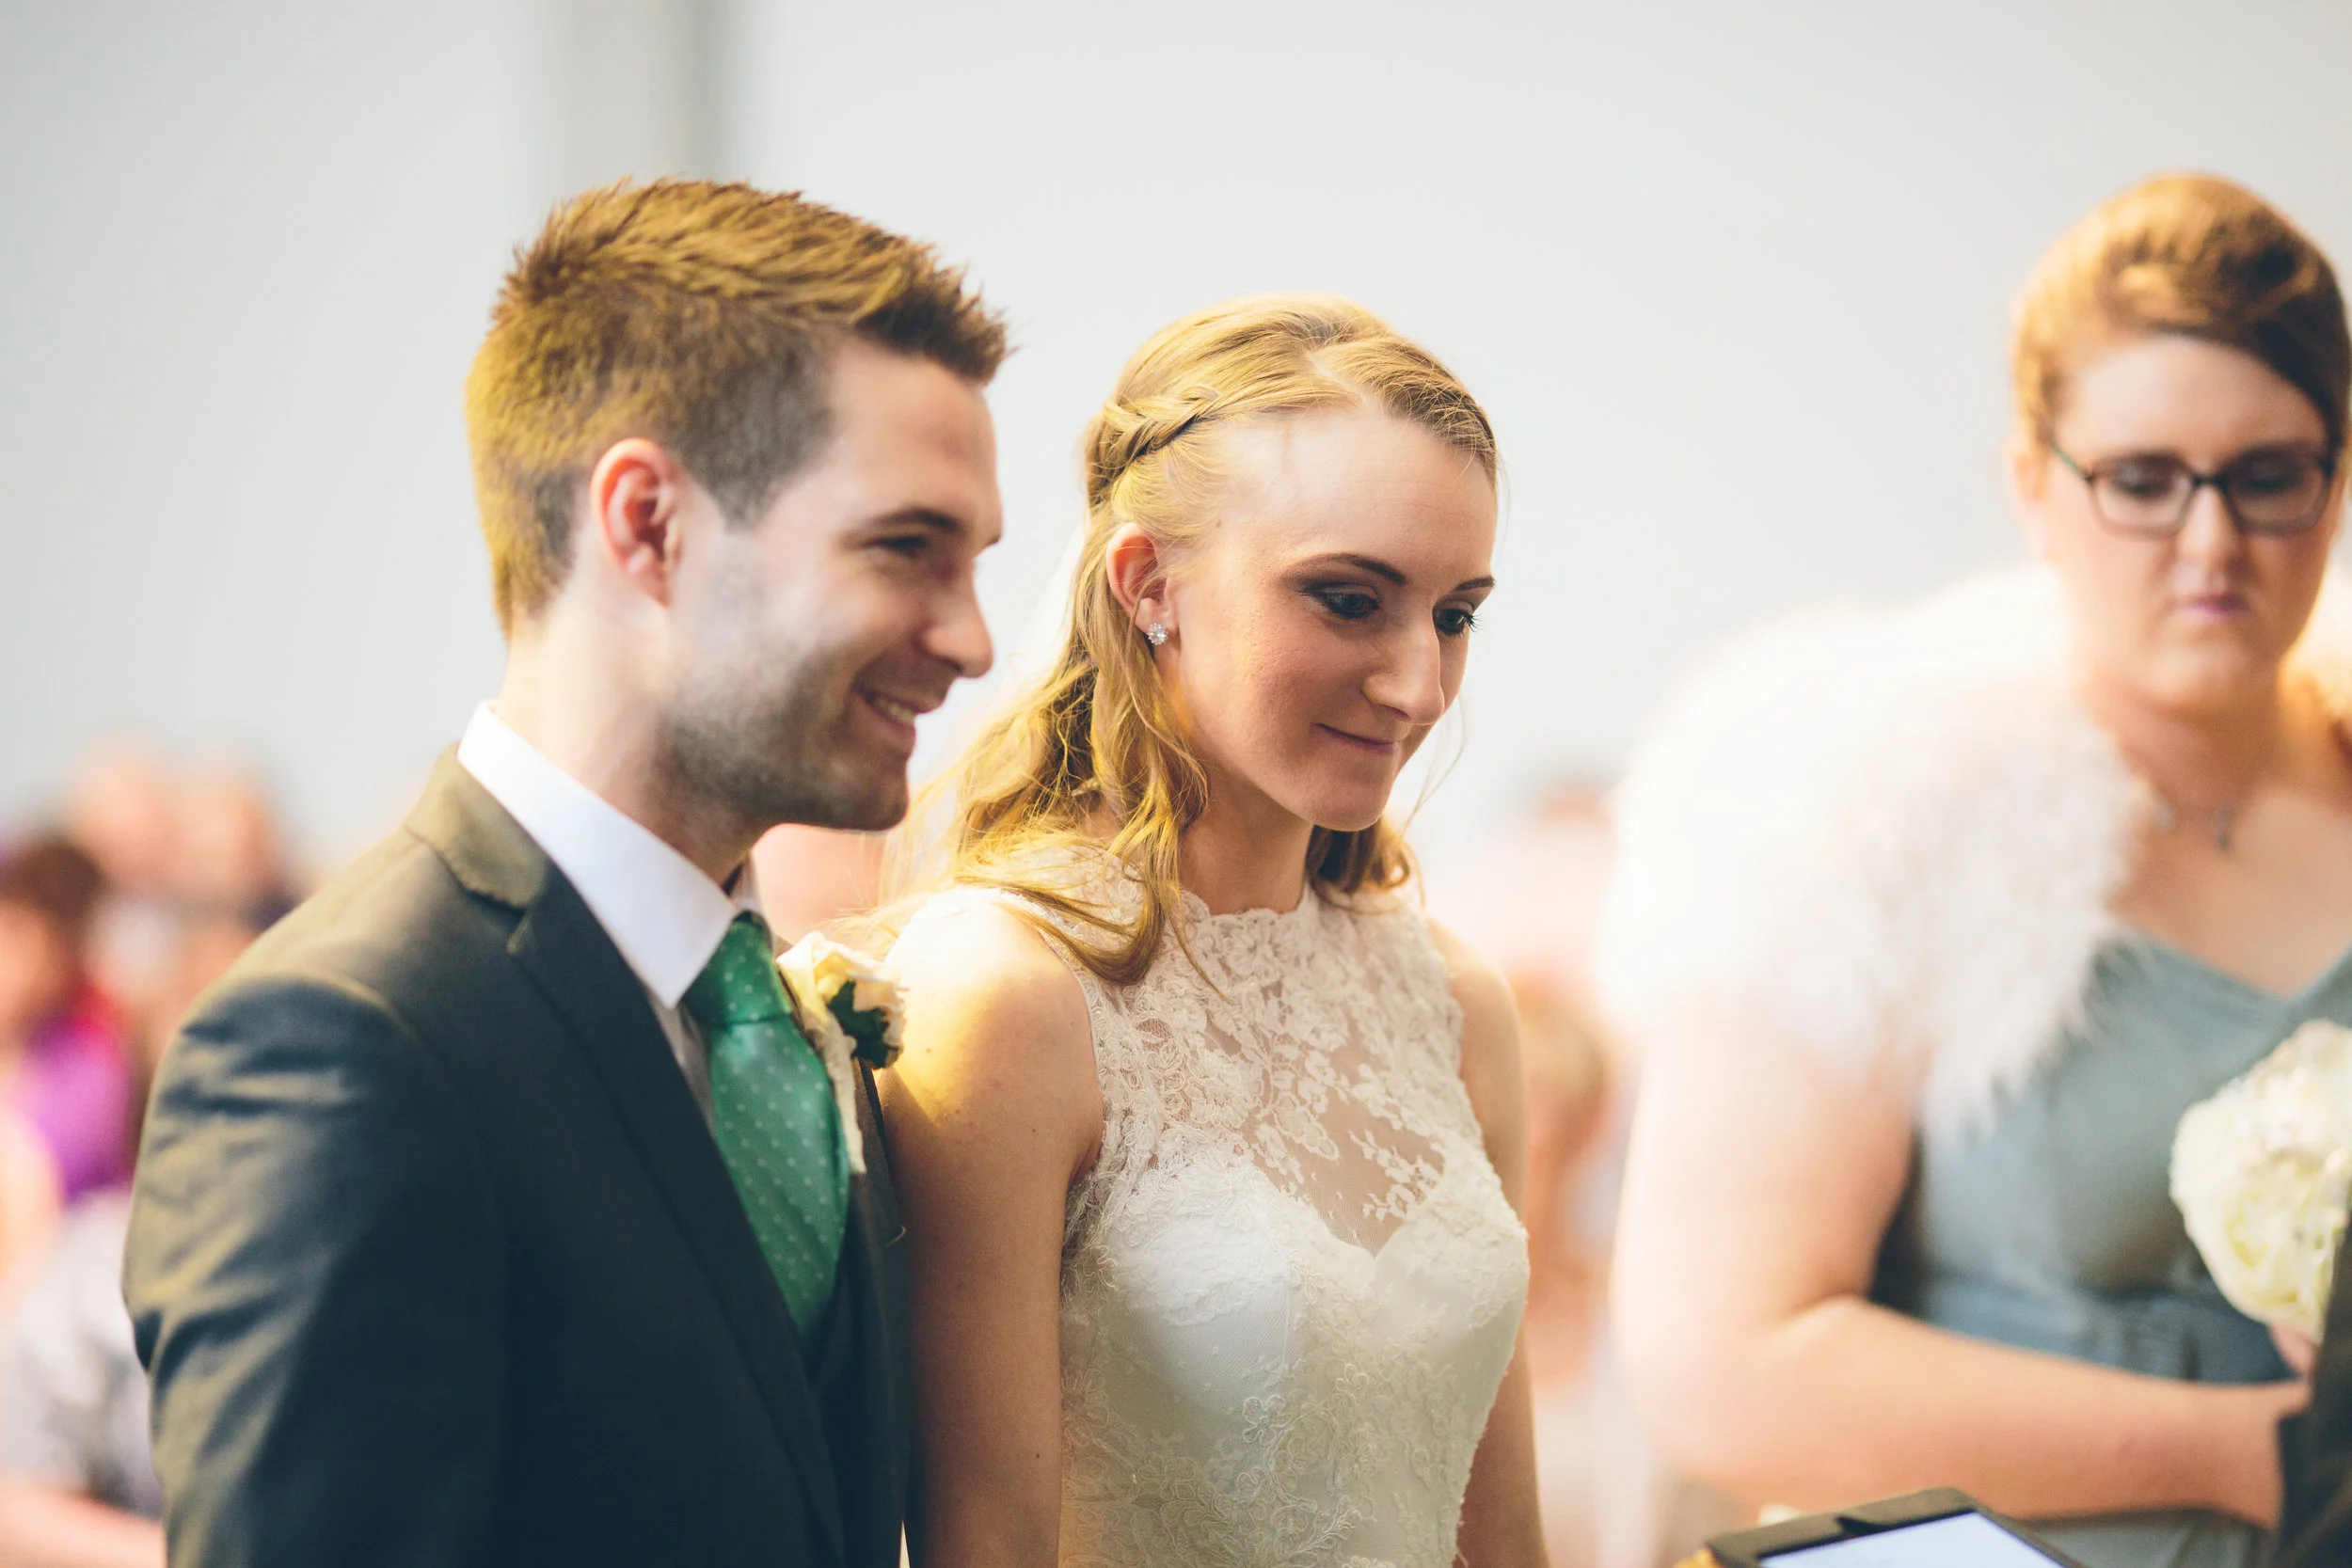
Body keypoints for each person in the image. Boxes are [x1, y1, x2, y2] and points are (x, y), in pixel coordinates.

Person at [122, 178, 1007, 1567]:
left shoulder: (778, 1023)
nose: (970, 638)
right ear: (647, 524)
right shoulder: (343, 1043)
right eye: (906, 547)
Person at [1598, 173, 2352, 1568]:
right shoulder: (1866, 806)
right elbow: (1721, 1363)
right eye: (2142, 481)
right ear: (2035, 485)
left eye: (2268, 474)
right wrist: (2269, 1453)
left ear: (2338, 470)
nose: (2212, 544)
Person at [878, 295, 1546, 1567]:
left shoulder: (1454, 1004)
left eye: (1455, 614)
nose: (1417, 684)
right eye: (1349, 600)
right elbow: (986, 1544)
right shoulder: (1004, 996)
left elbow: (1501, 1537)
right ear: (1149, 584)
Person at [0, 837, 134, 1207]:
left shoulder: (89, 1068)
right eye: (12, 934)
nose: (21, 968)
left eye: (45, 952)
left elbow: (52, 1175)